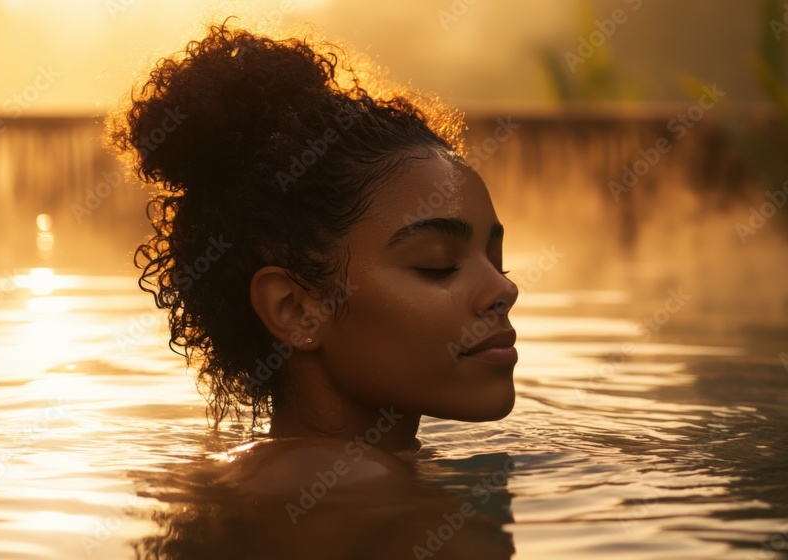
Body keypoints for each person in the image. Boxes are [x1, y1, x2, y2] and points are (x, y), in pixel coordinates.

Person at [108, 18, 519, 559]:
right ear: (296, 309)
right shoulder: (348, 484)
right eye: (437, 265)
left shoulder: (305, 470)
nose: (503, 290)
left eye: (495, 258)